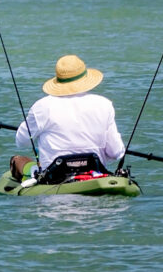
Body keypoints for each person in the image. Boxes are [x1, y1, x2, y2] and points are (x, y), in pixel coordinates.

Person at [10, 54, 125, 183]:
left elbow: (21, 141)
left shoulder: (42, 106)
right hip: (95, 175)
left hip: (54, 179)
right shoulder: (104, 104)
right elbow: (116, 152)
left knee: (17, 160)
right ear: (85, 78)